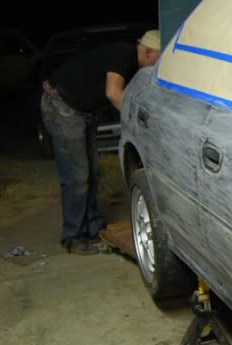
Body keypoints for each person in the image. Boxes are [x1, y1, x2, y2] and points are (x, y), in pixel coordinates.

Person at [41, 30, 161, 255]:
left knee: (93, 172)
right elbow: (113, 93)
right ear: (147, 52)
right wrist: (137, 124)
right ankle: (72, 236)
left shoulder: (133, 64)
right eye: (158, 58)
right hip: (63, 106)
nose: (158, 65)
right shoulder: (124, 54)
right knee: (77, 176)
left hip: (83, 110)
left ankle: (91, 226)